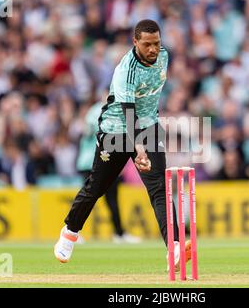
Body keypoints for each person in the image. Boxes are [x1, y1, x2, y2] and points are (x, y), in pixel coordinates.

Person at [54, 20, 191, 268]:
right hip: (117, 129)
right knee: (96, 187)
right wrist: (138, 146)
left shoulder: (163, 57)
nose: (153, 50)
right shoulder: (125, 69)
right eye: (147, 44)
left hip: (148, 126)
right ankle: (70, 232)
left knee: (159, 187)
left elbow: (151, 98)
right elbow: (128, 111)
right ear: (135, 42)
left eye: (156, 43)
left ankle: (175, 247)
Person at [76, 98, 141, 244]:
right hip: (94, 160)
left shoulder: (97, 110)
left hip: (100, 159)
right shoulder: (102, 109)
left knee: (99, 198)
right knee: (96, 197)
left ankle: (118, 232)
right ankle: (75, 230)